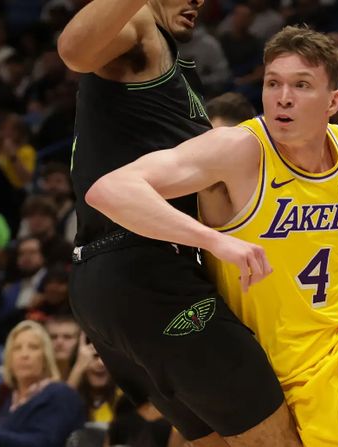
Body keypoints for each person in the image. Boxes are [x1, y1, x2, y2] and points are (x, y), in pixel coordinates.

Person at [86, 25, 338, 447]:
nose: (283, 97)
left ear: (333, 102)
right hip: (280, 375)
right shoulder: (238, 149)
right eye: (272, 83)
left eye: (301, 85)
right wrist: (213, 239)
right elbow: (110, 190)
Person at [57, 1, 300, 445]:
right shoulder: (140, 25)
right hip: (148, 271)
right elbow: (73, 51)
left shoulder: (166, 69)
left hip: (102, 280)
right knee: (277, 439)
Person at [0, 320, 86, 447]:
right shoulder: (10, 397)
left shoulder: (61, 394)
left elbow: (42, 443)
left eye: (33, 347)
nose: (24, 354)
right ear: (8, 357)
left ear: (46, 356)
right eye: (17, 348)